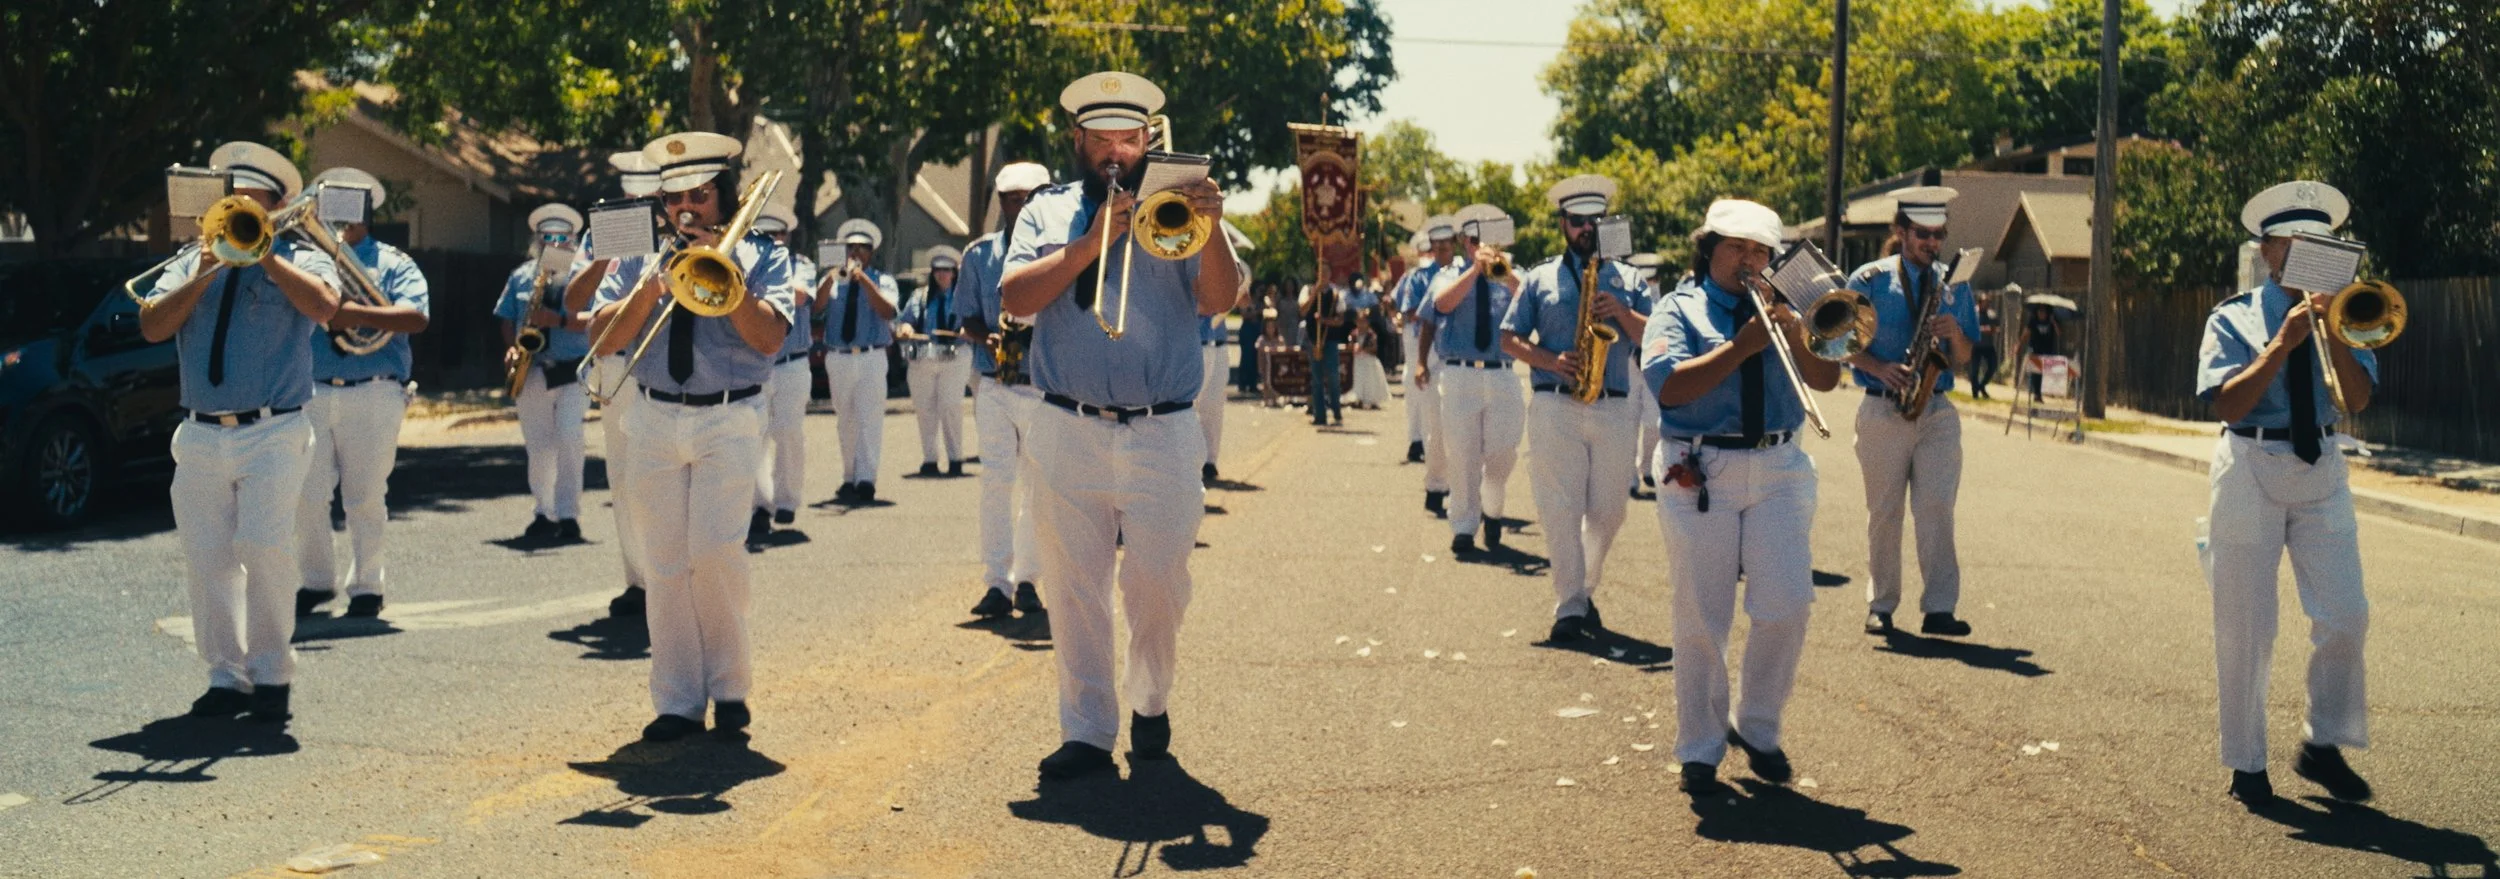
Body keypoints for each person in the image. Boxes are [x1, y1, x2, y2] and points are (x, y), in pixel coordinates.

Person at [999, 71, 1238, 779]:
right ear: (1077, 141)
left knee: (1158, 581)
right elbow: (1015, 300)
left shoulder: (1180, 205)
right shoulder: (1046, 211)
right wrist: (1089, 243)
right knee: (1073, 586)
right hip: (1066, 424)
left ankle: (1150, 698)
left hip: (1163, 428)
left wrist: (1213, 228)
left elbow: (1221, 298)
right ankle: (1087, 731)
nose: (1114, 152)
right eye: (1100, 139)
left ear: (1147, 141)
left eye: (1127, 139)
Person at [587, 130, 794, 741]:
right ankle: (677, 700)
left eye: (699, 195)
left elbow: (770, 339)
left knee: (715, 552)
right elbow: (602, 336)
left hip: (728, 415)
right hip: (653, 413)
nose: (687, 209)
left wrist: (725, 277)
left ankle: (729, 688)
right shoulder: (640, 257)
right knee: (664, 562)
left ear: (722, 195)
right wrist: (654, 285)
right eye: (675, 198)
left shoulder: (762, 253)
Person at [1641, 198, 1841, 796]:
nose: (1749, 261)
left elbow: (1827, 378)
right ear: (1709, 250)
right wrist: (1743, 346)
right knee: (1703, 616)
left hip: (1779, 464)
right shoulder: (1677, 309)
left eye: (1760, 251)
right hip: (1701, 466)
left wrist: (1795, 330)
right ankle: (1700, 747)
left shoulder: (1788, 311)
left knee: (1788, 604)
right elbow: (1670, 388)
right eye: (1737, 248)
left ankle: (1756, 725)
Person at [142, 141, 343, 723]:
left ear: (276, 209)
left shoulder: (303, 256)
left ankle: (272, 674)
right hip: (200, 433)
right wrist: (206, 270)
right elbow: (153, 326)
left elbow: (325, 308)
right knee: (207, 558)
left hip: (274, 429)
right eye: (232, 203)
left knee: (264, 547)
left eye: (251, 206)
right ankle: (225, 676)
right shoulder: (193, 259)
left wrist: (267, 256)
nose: (238, 214)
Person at [2197, 180, 2377, 808]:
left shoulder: (2348, 313)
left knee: (2347, 613)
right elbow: (2226, 404)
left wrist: (2333, 332)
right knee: (2246, 623)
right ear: (2269, 251)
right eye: (2297, 245)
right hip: (2249, 461)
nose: (2308, 257)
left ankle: (2323, 743)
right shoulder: (2233, 316)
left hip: (2320, 461)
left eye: (2322, 246)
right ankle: (2246, 762)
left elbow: (2356, 399)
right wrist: (2282, 344)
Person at [1500, 175, 1649, 642]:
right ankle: (1569, 606)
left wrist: (1621, 312)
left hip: (1614, 405)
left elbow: (1654, 337)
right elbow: (1509, 339)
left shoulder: (1631, 279)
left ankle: (1582, 590)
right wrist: (1550, 360)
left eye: (1595, 220)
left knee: (1609, 513)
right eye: (1578, 220)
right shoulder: (1539, 277)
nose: (1587, 228)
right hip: (1555, 404)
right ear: (1563, 224)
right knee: (1559, 510)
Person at [1842, 186, 1981, 639]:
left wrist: (1954, 333)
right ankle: (1881, 604)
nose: (1932, 244)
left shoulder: (1954, 282)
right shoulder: (1868, 279)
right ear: (1901, 232)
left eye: (1938, 235)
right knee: (1885, 512)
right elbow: (1838, 342)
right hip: (1883, 406)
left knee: (1937, 507)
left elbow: (1964, 356)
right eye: (1923, 234)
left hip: (1936, 406)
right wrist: (1877, 367)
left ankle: (1939, 608)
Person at [294, 167, 430, 620]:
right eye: (329, 207)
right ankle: (316, 580)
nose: (338, 218)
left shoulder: (392, 263)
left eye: (347, 207)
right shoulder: (304, 263)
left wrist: (350, 313)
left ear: (366, 213)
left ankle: (368, 585)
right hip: (311, 390)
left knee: (366, 495)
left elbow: (415, 318)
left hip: (374, 391)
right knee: (307, 494)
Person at [570, 150, 666, 617]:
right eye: (630, 193)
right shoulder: (598, 235)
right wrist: (604, 254)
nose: (636, 202)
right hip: (617, 362)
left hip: (664, 363)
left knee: (665, 474)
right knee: (624, 478)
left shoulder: (678, 230)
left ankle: (669, 579)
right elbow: (572, 299)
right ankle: (639, 582)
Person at [958, 162, 1052, 619]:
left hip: (1041, 384)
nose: (1021, 207)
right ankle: (997, 582)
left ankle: (1028, 580)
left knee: (1037, 485)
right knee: (996, 482)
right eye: (1013, 200)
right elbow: (966, 317)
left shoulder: (1059, 252)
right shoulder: (978, 256)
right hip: (994, 381)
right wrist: (987, 338)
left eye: (1029, 198)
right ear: (1001, 203)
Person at [1426, 204, 1525, 556]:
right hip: (1460, 374)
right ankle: (1464, 527)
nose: (1478, 246)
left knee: (1503, 451)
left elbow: (1532, 299)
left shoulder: (1512, 272)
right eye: (1472, 240)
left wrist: (1504, 274)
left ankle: (1492, 508)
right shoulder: (1448, 274)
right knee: (1462, 455)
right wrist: (1474, 272)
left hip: (1502, 374)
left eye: (1485, 239)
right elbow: (1442, 304)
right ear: (1463, 243)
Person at [498, 202, 593, 543]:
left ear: (573, 240)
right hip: (534, 369)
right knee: (538, 446)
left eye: (561, 237)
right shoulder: (522, 276)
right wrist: (513, 348)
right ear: (537, 240)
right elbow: (507, 317)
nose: (554, 243)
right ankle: (543, 511)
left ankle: (568, 515)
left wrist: (559, 320)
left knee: (569, 437)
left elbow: (598, 318)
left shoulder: (585, 275)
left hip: (573, 368)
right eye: (547, 237)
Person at [817, 218, 899, 502]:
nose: (856, 253)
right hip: (839, 356)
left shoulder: (882, 280)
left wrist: (863, 279)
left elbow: (888, 311)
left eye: (862, 248)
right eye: (851, 247)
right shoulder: (833, 280)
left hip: (871, 356)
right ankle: (849, 476)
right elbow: (816, 307)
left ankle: (866, 479)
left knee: (870, 419)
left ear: (871, 252)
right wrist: (831, 276)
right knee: (845, 420)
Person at [749, 205, 814, 542]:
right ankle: (759, 506)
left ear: (787, 237)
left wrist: (761, 287)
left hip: (791, 363)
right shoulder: (745, 264)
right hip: (755, 363)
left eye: (778, 234)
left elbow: (801, 296)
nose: (772, 240)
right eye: (765, 234)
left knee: (788, 432)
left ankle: (786, 499)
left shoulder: (800, 265)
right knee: (754, 435)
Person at [1397, 217, 1458, 515]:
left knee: (1465, 430)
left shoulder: (1465, 272)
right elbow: (1411, 311)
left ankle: (1462, 490)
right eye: (1438, 243)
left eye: (1448, 242)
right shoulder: (1420, 277)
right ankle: (1436, 485)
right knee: (1437, 426)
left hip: (1461, 356)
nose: (1443, 247)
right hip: (1431, 350)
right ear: (1432, 246)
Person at [899, 245, 972, 476]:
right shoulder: (919, 296)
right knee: (925, 408)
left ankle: (955, 458)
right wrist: (906, 329)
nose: (942, 274)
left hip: (955, 355)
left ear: (955, 272)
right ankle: (930, 459)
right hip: (924, 356)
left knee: (950, 406)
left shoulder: (964, 296)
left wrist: (966, 330)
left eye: (947, 270)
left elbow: (972, 321)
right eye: (938, 270)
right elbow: (907, 320)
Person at [1627, 252, 1666, 497]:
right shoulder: (1627, 297)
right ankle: (1629, 476)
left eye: (1653, 279)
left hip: (1653, 366)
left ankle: (1648, 466)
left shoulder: (1664, 302)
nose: (1651, 284)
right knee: (1628, 423)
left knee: (1653, 423)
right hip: (1629, 365)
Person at [1300, 270, 1353, 426]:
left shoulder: (1336, 294)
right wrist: (1314, 293)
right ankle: (1319, 415)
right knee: (1316, 378)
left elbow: (1340, 320)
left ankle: (1336, 411)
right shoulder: (1308, 290)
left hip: (1330, 340)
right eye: (1321, 272)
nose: (1323, 275)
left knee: (1333, 377)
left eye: (1326, 272)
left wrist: (1324, 321)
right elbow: (1303, 310)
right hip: (1313, 340)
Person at [2014, 298, 2064, 403]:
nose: (2041, 313)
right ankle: (2037, 394)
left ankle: (2044, 392)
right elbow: (2026, 333)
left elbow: (2059, 333)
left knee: (2045, 372)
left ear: (2047, 312)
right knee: (2035, 372)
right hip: (2035, 349)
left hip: (2048, 349)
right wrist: (2019, 344)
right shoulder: (2033, 321)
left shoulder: (2052, 320)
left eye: (2043, 311)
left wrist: (2054, 322)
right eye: (2039, 311)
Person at [1968, 288, 2002, 399]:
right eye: (1985, 302)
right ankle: (1975, 393)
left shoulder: (1992, 314)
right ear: (1980, 302)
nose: (1987, 305)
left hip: (1988, 345)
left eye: (1988, 302)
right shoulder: (1973, 313)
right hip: (1976, 346)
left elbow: (1997, 328)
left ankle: (1981, 386)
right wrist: (1983, 329)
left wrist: (1993, 330)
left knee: (1993, 366)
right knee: (1974, 371)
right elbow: (1969, 327)